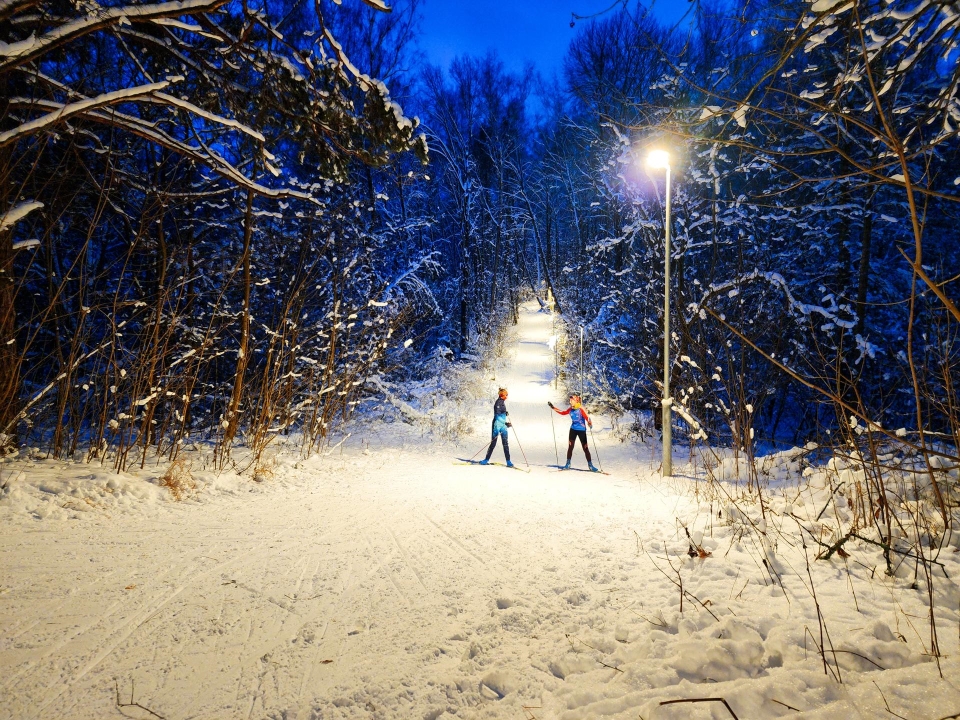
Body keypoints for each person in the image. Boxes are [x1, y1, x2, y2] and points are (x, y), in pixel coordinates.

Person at [549, 394, 598, 472]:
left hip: (581, 430)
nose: (570, 402)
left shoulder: (581, 409)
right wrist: (553, 407)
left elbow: (587, 417)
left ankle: (590, 465)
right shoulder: (571, 409)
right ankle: (567, 464)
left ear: (576, 401)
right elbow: (563, 412)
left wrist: (590, 423)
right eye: (570, 400)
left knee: (585, 448)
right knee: (570, 447)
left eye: (571, 400)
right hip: (573, 429)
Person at [480, 388, 513, 467]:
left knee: (505, 443)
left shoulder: (502, 402)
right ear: (502, 395)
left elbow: (501, 413)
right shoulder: (497, 403)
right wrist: (505, 423)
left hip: (502, 426)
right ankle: (486, 460)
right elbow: (497, 417)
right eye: (506, 395)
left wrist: (505, 413)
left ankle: (508, 461)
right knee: (493, 443)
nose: (507, 396)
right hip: (496, 426)